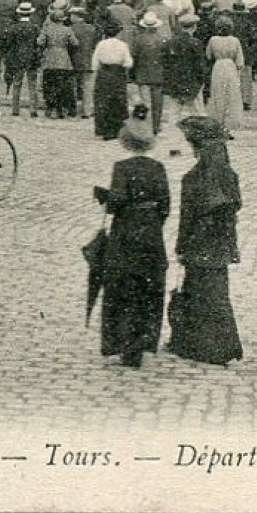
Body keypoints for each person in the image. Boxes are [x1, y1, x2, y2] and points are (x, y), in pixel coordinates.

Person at [95, 110, 170, 368]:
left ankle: (119, 344)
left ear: (125, 141)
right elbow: (165, 207)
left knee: (120, 288)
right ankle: (146, 345)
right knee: (150, 289)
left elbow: (115, 203)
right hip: (151, 234)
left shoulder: (121, 168)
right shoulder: (159, 168)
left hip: (125, 234)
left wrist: (105, 199)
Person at [167, 116, 244, 366]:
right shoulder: (228, 174)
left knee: (199, 293)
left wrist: (181, 246)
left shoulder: (194, 178)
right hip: (220, 244)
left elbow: (187, 218)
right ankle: (219, 346)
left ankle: (199, 345)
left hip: (198, 243)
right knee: (215, 293)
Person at [162, 12, 207, 130]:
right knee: (197, 111)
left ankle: (172, 135)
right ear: (193, 27)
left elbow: (165, 64)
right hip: (192, 81)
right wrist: (201, 80)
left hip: (175, 81)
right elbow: (200, 66)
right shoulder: (196, 43)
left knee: (174, 112)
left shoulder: (170, 42)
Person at [91, 20, 133, 140]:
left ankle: (104, 129)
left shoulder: (101, 44)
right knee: (117, 99)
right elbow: (129, 63)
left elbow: (95, 62)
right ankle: (116, 127)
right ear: (118, 33)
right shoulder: (122, 45)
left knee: (103, 100)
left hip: (104, 72)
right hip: (117, 73)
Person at [204, 16, 246, 131]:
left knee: (218, 94)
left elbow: (208, 55)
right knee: (231, 95)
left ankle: (218, 120)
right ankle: (231, 122)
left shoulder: (213, 40)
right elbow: (240, 61)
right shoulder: (235, 40)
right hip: (230, 66)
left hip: (218, 66)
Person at [36, 5, 78, 119]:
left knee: (49, 85)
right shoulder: (67, 29)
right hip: (64, 59)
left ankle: (50, 108)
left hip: (50, 58)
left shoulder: (47, 29)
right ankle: (61, 110)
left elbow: (40, 42)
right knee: (62, 86)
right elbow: (75, 43)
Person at [2, 2, 41, 118]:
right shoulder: (35, 28)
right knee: (32, 85)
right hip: (32, 58)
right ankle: (33, 109)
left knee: (17, 84)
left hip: (17, 58)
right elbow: (38, 44)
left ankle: (15, 109)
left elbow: (8, 44)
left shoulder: (13, 28)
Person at [132, 12, 167, 135]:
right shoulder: (162, 39)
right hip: (158, 74)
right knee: (158, 103)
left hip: (143, 74)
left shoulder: (139, 39)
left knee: (145, 102)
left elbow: (134, 56)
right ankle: (156, 127)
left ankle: (145, 127)